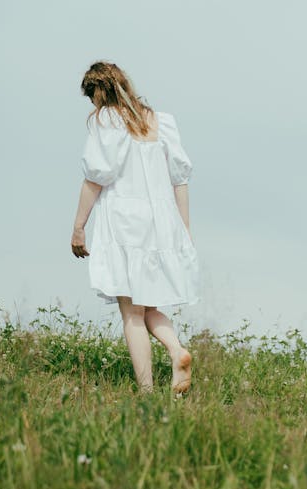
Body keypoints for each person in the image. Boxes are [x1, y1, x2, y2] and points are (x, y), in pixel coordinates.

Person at [71, 61, 199, 394]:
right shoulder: (161, 121)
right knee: (150, 306)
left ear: (97, 95)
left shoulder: (106, 120)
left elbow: (96, 178)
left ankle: (146, 391)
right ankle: (176, 350)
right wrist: (183, 230)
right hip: (162, 222)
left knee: (131, 312)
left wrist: (79, 227)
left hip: (126, 220)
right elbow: (180, 179)